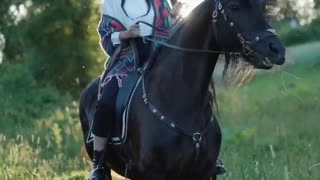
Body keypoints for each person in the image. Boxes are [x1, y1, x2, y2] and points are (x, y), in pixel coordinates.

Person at [90, 0, 180, 179]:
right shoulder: (112, 3)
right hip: (127, 61)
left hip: (160, 59)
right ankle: (98, 164)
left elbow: (172, 30)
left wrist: (176, 17)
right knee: (106, 101)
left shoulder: (160, 1)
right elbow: (106, 34)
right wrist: (123, 34)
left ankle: (205, 154)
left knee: (192, 90)